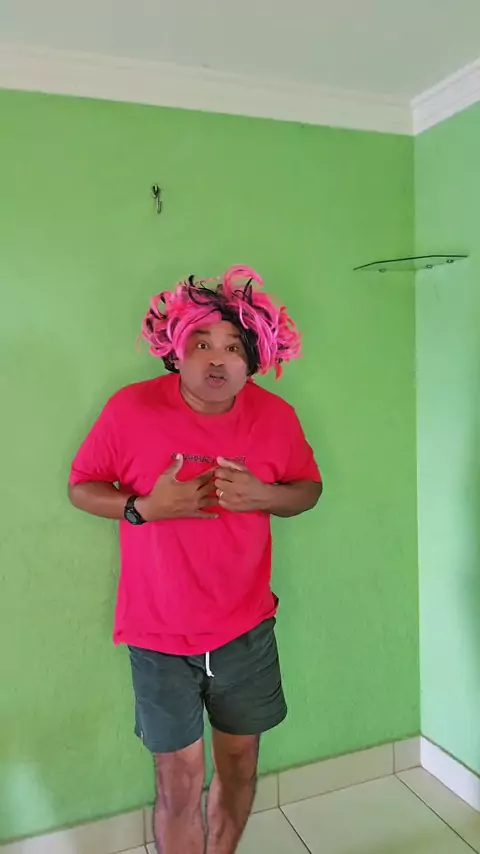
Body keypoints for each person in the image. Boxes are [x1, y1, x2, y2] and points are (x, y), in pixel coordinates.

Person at [68, 264, 322, 854]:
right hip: (158, 633)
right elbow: (82, 487)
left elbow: (308, 489)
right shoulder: (130, 410)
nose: (216, 360)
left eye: (233, 347)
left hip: (246, 629)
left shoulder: (275, 417)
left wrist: (264, 496)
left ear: (255, 357)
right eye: (202, 343)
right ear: (175, 350)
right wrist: (143, 508)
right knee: (177, 781)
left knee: (239, 766)